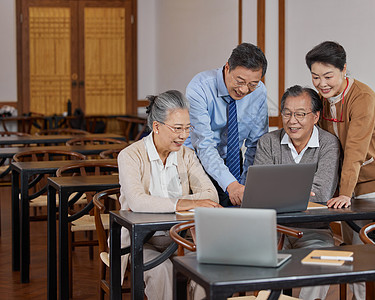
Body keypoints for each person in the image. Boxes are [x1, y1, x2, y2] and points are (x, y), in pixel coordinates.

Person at [305, 41, 375, 300]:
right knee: (350, 250)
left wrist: (345, 193)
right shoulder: (322, 101)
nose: (322, 83)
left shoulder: (363, 98)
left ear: (343, 70)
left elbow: (355, 150)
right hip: (347, 184)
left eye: (328, 76)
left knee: (368, 251)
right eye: (315, 77)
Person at [118, 90, 220, 300]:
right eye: (177, 128)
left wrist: (163, 204)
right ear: (156, 126)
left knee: (208, 271)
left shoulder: (187, 155)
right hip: (141, 242)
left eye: (187, 128)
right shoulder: (130, 155)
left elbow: (211, 195)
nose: (184, 135)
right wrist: (187, 203)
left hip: (181, 239)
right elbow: (137, 202)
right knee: (162, 271)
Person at [254, 85, 340, 300]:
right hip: (270, 228)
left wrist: (279, 193)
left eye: (301, 114)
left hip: (313, 229)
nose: (293, 121)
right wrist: (300, 193)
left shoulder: (329, 144)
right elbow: (260, 192)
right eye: (287, 113)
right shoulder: (268, 142)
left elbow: (321, 194)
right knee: (260, 264)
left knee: (324, 261)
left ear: (316, 116)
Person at [185, 43, 268, 207]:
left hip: (232, 159)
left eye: (252, 84)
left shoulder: (259, 92)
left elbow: (256, 144)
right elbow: (204, 144)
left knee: (237, 216)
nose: (244, 90)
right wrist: (231, 185)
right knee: (208, 218)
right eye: (240, 81)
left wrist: (244, 185)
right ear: (227, 67)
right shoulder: (200, 87)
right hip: (195, 160)